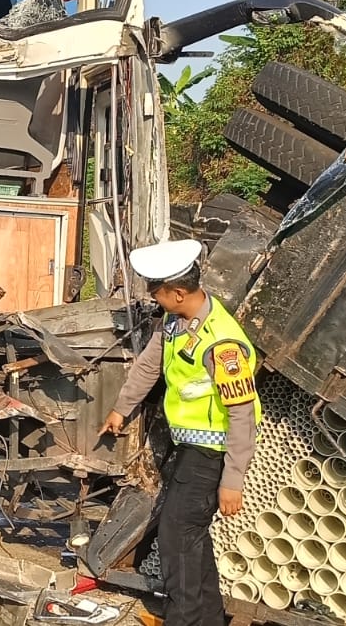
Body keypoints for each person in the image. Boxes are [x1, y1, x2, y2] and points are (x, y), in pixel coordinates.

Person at [100, 239, 262, 626]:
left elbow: (242, 414)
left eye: (156, 293)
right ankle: (206, 619)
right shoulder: (174, 324)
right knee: (189, 537)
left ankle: (184, 620)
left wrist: (233, 481)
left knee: (176, 537)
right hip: (189, 449)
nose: (154, 300)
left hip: (213, 454)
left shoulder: (223, 344)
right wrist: (121, 409)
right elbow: (147, 367)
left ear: (177, 292)